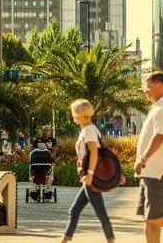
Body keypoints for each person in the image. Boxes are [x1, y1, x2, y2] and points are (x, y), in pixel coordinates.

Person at [59, 99, 115, 243]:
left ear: (79, 113)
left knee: (101, 213)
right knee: (74, 210)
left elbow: (94, 152)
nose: (72, 115)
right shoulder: (88, 129)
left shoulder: (89, 130)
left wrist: (89, 174)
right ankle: (65, 240)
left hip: (91, 177)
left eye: (73, 112)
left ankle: (111, 240)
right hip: (89, 177)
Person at [135, 71, 163, 243]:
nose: (145, 90)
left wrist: (143, 158)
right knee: (149, 217)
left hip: (159, 172)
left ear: (160, 86)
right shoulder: (157, 107)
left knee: (158, 216)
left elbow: (160, 136)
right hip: (150, 172)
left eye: (148, 87)